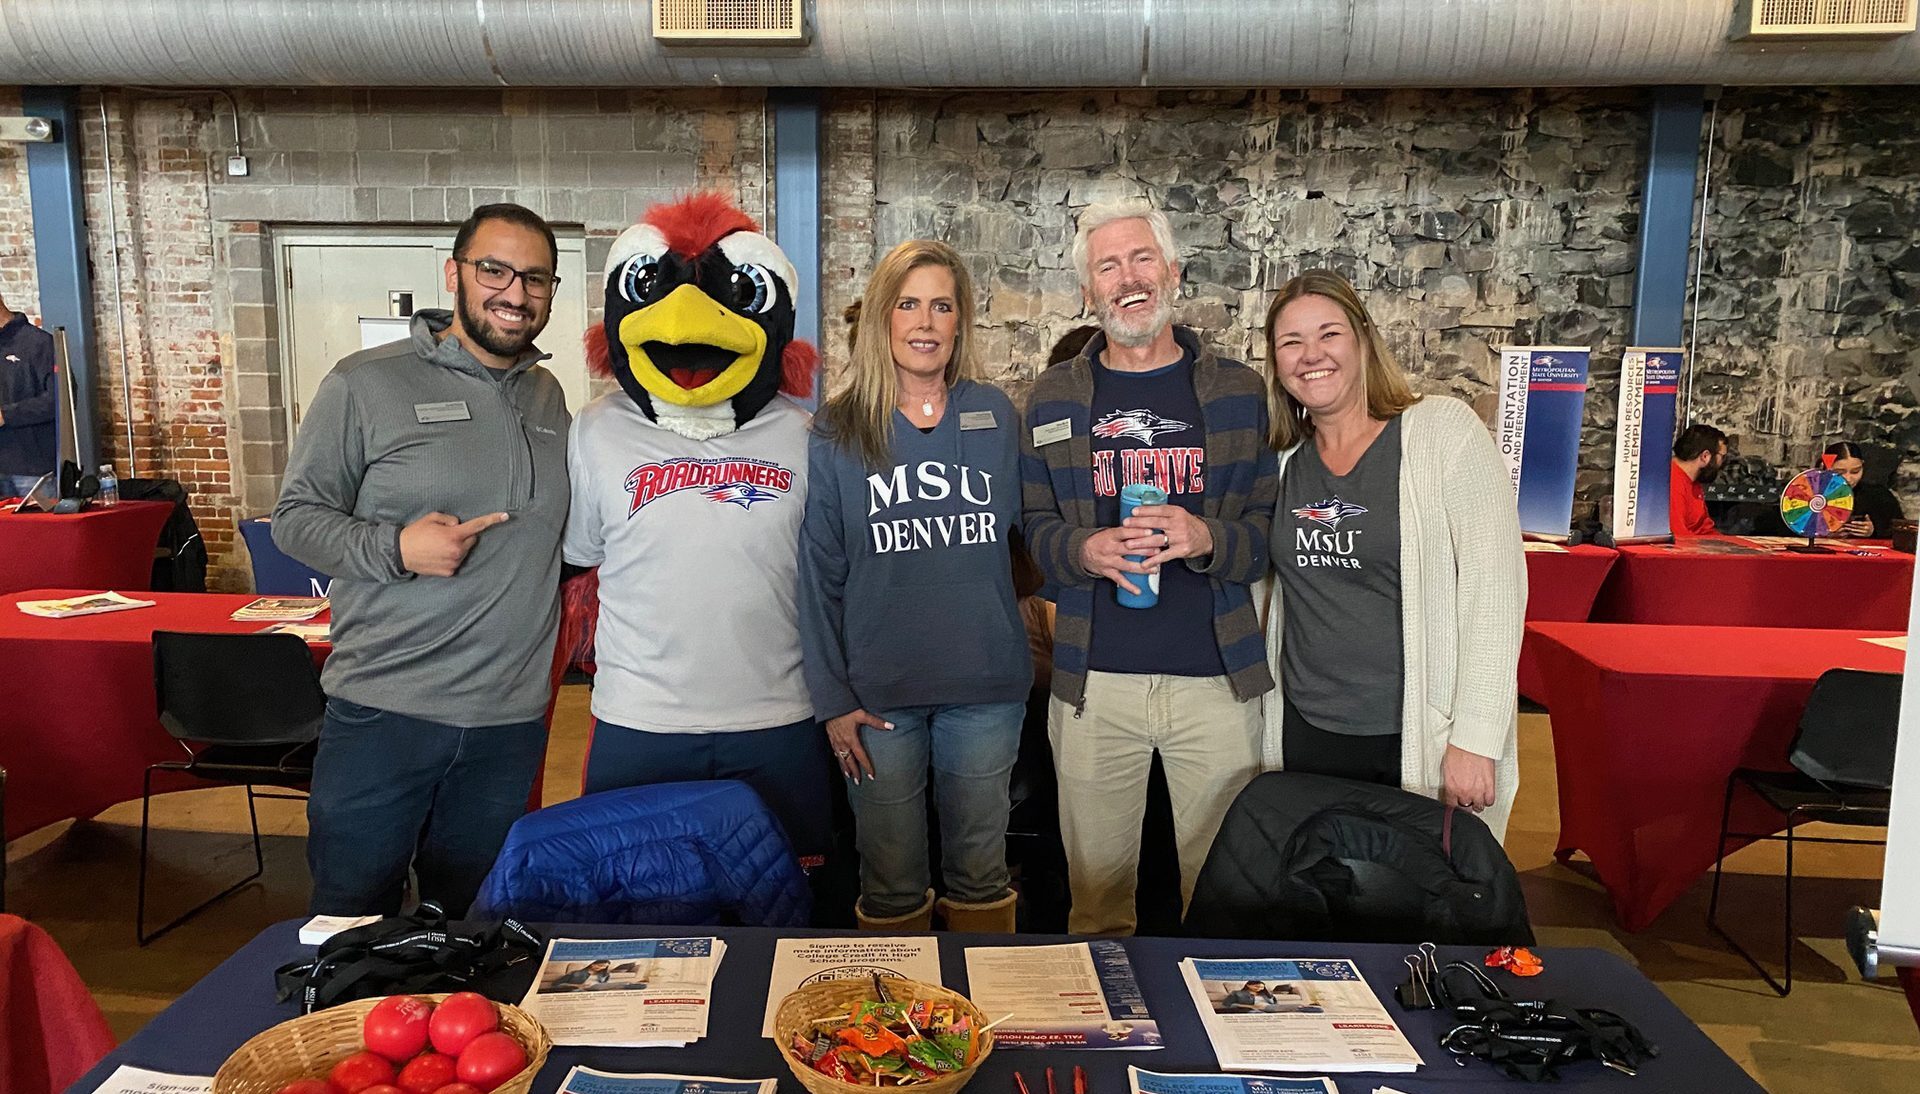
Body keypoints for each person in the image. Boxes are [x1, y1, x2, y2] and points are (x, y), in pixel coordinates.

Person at [273, 203, 571, 916]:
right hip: (385, 712)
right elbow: (294, 520)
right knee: (353, 916)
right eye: (494, 270)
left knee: (475, 917)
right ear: (455, 273)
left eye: (535, 279)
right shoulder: (365, 383)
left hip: (509, 723)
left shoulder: (547, 395)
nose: (515, 293)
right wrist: (395, 548)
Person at [1021, 198, 1277, 936]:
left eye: (1140, 259)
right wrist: (1083, 550)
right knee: (1097, 905)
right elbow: (1034, 531)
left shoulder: (1238, 392)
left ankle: (1219, 1044)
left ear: (1171, 271)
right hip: (1092, 688)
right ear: (1086, 292)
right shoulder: (1053, 397)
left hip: (1220, 688)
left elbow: (1266, 536)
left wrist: (1204, 538)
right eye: (1108, 265)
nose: (1127, 278)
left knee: (1222, 898)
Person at [801, 240, 1029, 933]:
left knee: (981, 875)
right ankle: (896, 1036)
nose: (925, 321)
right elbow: (820, 573)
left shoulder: (995, 416)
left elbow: (1028, 539)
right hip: (879, 702)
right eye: (908, 304)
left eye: (941, 305)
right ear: (881, 317)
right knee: (892, 883)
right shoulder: (838, 427)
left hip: (986, 689)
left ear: (960, 321)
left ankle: (981, 1022)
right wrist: (833, 700)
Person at [1261, 270, 1524, 839]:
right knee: (1318, 899)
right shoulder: (1283, 460)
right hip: (1307, 730)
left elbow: (1497, 592)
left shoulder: (1442, 433)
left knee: (1418, 908)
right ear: (1276, 364)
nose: (1312, 356)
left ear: (1362, 339)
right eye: (1291, 343)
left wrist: (1476, 739)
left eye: (1328, 334)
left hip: (1415, 735)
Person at [0, 291, 57, 498]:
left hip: (33, 471)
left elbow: (58, 400)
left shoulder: (39, 343)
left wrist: (6, 415)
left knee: (42, 529)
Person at [1824, 441, 1905, 538]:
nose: (1848, 479)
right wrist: (1822, 534)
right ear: (1825, 468)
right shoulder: (1808, 494)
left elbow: (1901, 533)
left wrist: (1874, 531)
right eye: (1839, 473)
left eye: (1855, 472)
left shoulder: (1879, 496)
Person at [1670, 423, 1728, 536]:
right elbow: (1679, 537)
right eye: (1723, 457)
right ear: (1705, 456)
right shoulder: (1673, 482)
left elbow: (1705, 528)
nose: (1723, 463)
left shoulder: (1693, 481)